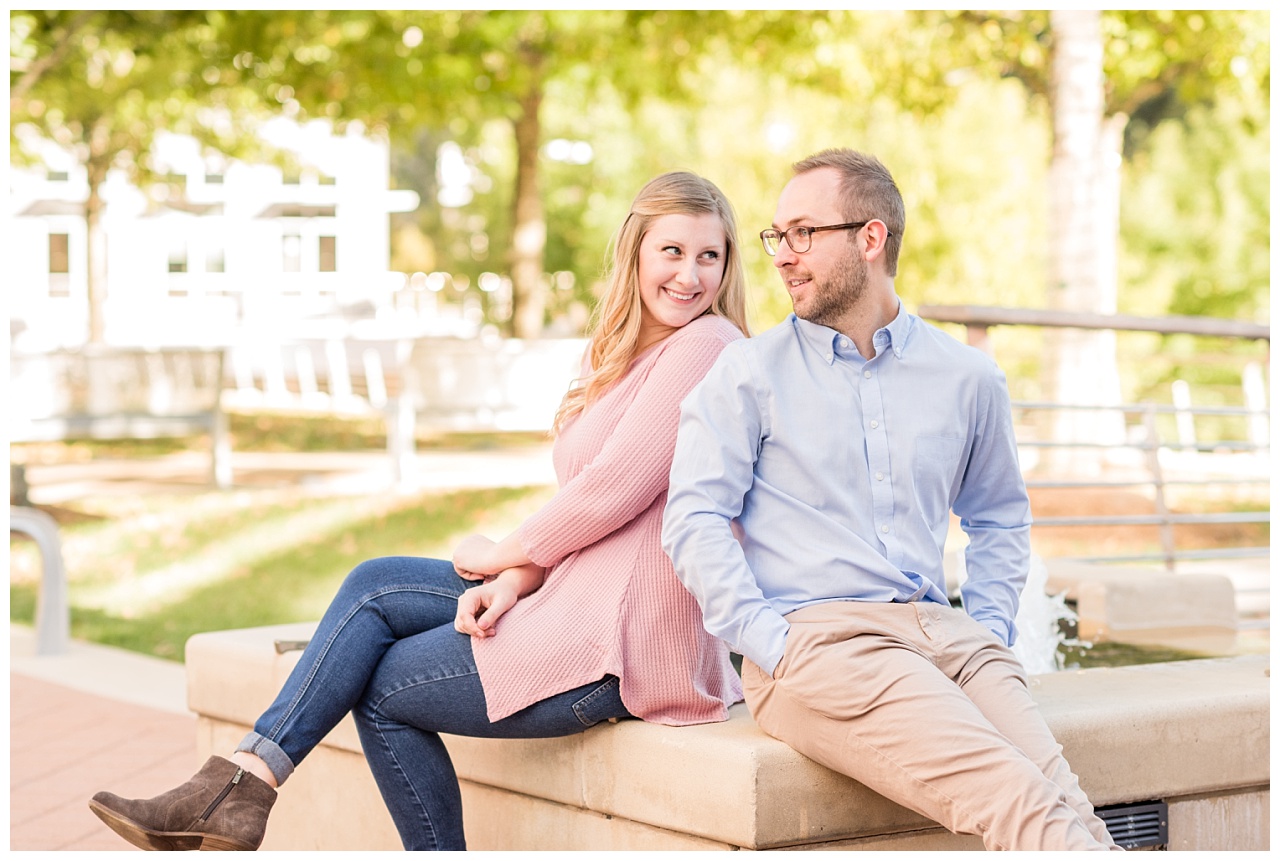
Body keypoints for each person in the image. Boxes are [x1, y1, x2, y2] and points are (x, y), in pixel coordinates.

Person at [89, 171, 749, 852]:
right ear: (635, 253)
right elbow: (603, 520)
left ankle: (239, 790)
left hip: (624, 648)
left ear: (728, 265)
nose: (690, 275)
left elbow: (612, 489)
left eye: (709, 255)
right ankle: (241, 781)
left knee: (376, 686)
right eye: (672, 251)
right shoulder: (622, 355)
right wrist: (515, 579)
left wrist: (499, 554)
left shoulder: (708, 347)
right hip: (578, 605)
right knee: (376, 585)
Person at [662, 149, 1120, 851]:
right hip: (824, 642)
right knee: (1020, 797)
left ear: (870, 239)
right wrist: (771, 644)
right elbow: (692, 519)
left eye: (804, 233)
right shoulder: (747, 373)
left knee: (1067, 803)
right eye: (777, 235)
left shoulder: (967, 377)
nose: (782, 255)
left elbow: (998, 515)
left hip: (952, 639)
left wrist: (991, 631)